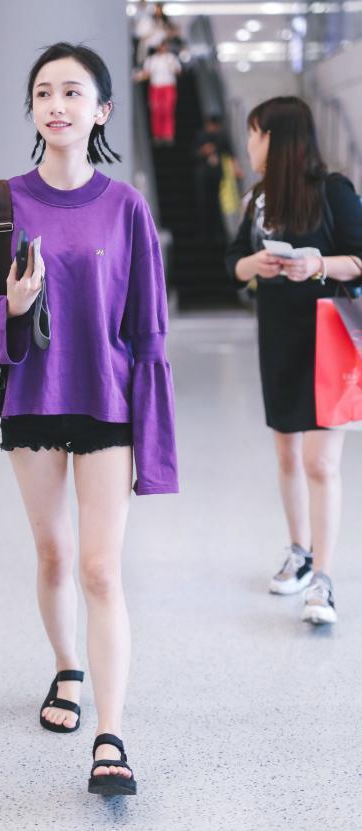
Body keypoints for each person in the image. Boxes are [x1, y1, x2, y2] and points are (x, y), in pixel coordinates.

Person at [0, 42, 178, 795]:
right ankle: (66, 667)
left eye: (73, 92)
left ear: (102, 110)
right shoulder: (0, 205)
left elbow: (149, 330)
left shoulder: (127, 207)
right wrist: (12, 306)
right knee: (54, 556)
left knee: (100, 569)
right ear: (32, 108)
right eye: (45, 92)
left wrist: (156, 437)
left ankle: (111, 736)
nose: (57, 104)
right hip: (32, 400)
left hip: (107, 403)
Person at [226, 96, 362, 625]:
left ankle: (323, 580)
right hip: (277, 337)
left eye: (255, 133)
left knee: (320, 463)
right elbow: (232, 262)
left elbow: (359, 257)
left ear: (278, 139)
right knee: (287, 456)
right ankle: (300, 553)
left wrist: (317, 263)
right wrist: (253, 264)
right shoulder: (258, 199)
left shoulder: (334, 190)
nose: (250, 143)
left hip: (328, 340)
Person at [194, 115, 241, 241]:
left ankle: (219, 232)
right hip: (204, 175)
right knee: (204, 203)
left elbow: (230, 154)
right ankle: (205, 233)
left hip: (217, 174)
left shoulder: (221, 137)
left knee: (219, 204)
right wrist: (203, 151)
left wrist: (236, 168)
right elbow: (194, 154)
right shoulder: (201, 136)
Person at [134, 39, 181, 145]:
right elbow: (146, 74)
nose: (164, 48)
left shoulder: (171, 58)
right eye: (161, 46)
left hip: (168, 86)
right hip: (156, 87)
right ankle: (157, 135)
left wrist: (173, 67)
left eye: (165, 46)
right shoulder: (151, 60)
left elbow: (178, 71)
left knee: (167, 110)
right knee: (156, 110)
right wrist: (138, 77)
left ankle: (168, 134)